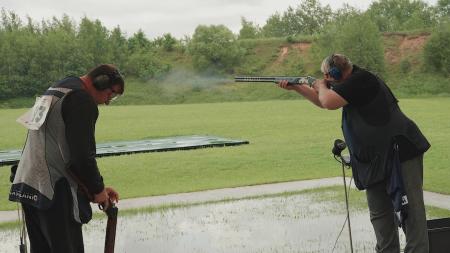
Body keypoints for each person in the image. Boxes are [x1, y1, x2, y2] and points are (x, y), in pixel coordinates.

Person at [278, 54, 430, 253]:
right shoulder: (347, 83)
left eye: (328, 76)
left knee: (412, 217)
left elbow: (328, 101)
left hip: (400, 154)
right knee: (381, 220)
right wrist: (297, 86)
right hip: (374, 162)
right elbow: (322, 100)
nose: (327, 80)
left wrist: (320, 85)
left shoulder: (361, 79)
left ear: (333, 73)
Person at [9, 64, 124, 252]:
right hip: (55, 192)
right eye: (111, 94)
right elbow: (81, 157)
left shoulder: (58, 88)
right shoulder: (81, 100)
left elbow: (59, 151)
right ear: (100, 82)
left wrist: (97, 188)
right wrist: (97, 189)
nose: (108, 101)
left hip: (30, 185)